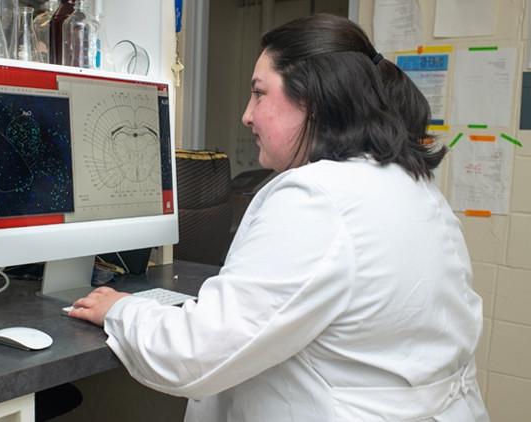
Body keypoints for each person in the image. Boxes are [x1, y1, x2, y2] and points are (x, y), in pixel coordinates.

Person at [69, 14, 489, 422]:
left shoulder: (318, 197)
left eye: (259, 93)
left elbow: (195, 353)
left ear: (311, 99)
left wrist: (123, 310)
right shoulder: (414, 186)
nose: (246, 115)